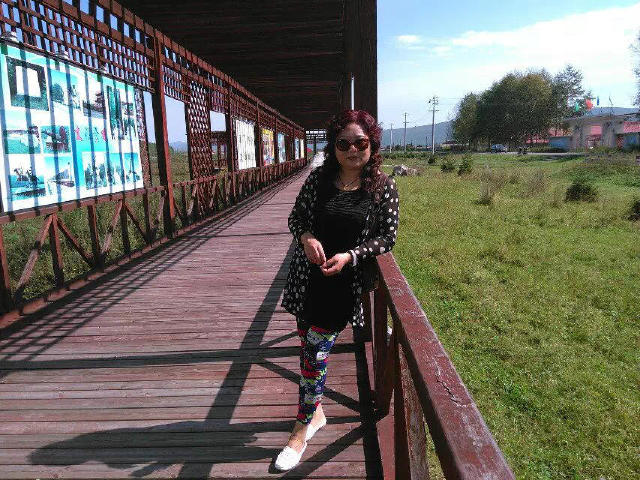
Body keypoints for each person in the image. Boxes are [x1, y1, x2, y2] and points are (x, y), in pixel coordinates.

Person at [275, 109, 400, 470]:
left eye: (360, 142)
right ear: (333, 147)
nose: (352, 150)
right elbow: (296, 218)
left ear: (372, 145)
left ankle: (300, 430)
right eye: (343, 144)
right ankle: (316, 413)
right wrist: (307, 237)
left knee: (314, 356)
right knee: (308, 352)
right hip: (306, 281)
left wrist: (350, 255)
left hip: (342, 288)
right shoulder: (319, 179)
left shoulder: (383, 187)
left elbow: (387, 237)